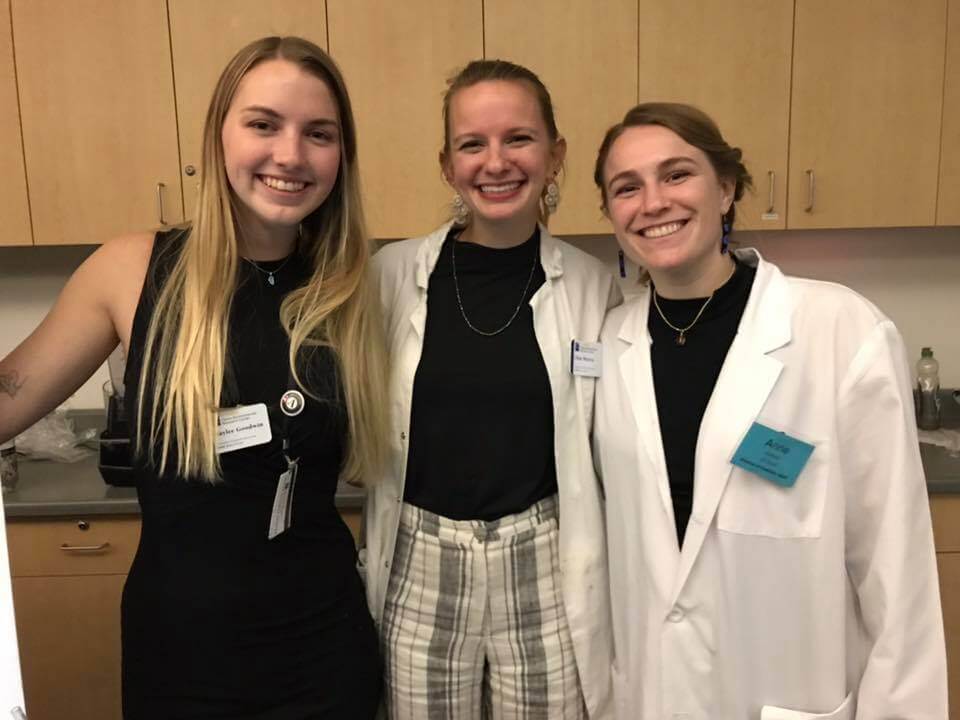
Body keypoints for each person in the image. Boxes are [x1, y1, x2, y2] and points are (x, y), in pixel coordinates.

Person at [0, 36, 387, 719]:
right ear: (218, 137)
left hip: (325, 649)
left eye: (318, 134)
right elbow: (10, 395)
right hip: (181, 656)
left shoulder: (353, 287)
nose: (290, 154)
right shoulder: (132, 271)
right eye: (263, 124)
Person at [591, 102, 947, 719]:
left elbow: (897, 567)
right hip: (653, 693)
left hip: (787, 689)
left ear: (726, 188)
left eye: (677, 174)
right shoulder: (607, 345)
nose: (653, 202)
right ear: (611, 213)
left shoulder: (838, 328)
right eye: (627, 187)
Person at [361, 60, 619, 719]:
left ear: (555, 155)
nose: (496, 162)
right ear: (448, 165)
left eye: (519, 139)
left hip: (544, 565)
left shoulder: (595, 287)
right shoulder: (391, 276)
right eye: (472, 144)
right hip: (421, 564)